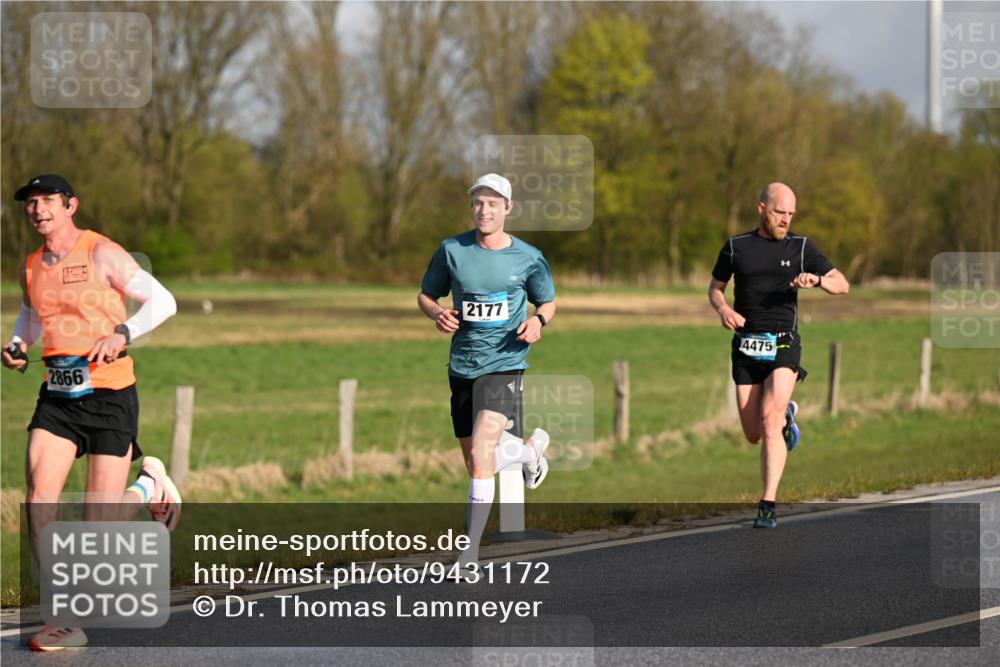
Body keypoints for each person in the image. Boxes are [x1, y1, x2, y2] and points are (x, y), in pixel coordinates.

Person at [2, 174, 181, 650]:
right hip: (57, 398)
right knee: (39, 500)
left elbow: (164, 301)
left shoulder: (102, 251)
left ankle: (148, 488)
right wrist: (20, 342)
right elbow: (32, 312)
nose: (38, 210)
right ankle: (61, 617)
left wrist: (122, 332)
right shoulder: (31, 266)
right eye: (31, 203)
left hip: (109, 395)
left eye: (48, 202)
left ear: (70, 206)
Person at [418, 173, 557, 572]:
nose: (485, 210)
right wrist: (437, 313)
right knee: (476, 462)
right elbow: (426, 294)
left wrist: (539, 323)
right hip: (462, 365)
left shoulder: (528, 257)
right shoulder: (452, 250)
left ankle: (469, 555)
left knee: (482, 455)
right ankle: (529, 451)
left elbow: (547, 301)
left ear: (508, 208)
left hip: (505, 363)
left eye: (493, 204)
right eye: (479, 203)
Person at [708, 182, 849, 528]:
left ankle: (767, 504)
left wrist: (817, 281)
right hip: (746, 344)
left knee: (769, 423)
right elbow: (715, 289)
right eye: (778, 212)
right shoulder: (735, 247)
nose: (785, 220)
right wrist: (723, 310)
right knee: (754, 433)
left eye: (790, 214)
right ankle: (787, 414)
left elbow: (842, 284)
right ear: (761, 209)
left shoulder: (801, 247)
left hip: (784, 343)